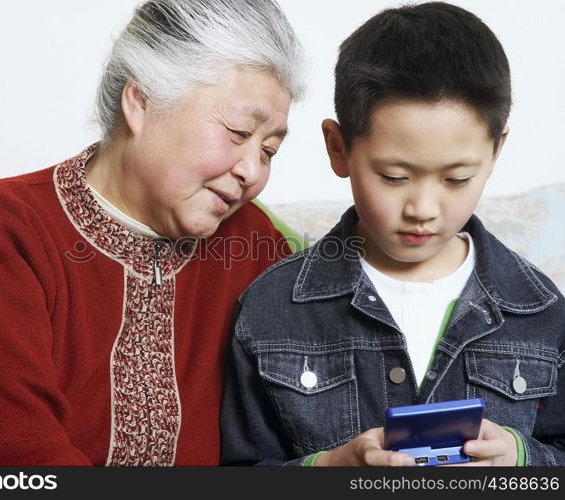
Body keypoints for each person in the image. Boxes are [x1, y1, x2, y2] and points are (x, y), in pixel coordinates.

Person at [0, 0, 305, 465]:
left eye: (270, 150)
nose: (252, 171)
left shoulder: (253, 243)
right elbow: (18, 460)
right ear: (141, 102)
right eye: (238, 132)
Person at [221, 1, 565, 466]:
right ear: (338, 148)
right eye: (395, 177)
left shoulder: (542, 311)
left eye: (457, 179)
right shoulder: (271, 308)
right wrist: (329, 467)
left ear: (496, 149)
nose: (422, 210)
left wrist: (521, 461)